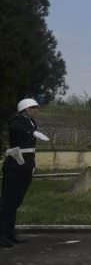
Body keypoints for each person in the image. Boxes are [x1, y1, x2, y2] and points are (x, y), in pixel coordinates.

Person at [0, 98, 49, 248]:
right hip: (15, 165)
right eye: (34, 108)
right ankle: (1, 235)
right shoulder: (17, 121)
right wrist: (33, 132)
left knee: (16, 202)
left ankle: (10, 233)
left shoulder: (31, 122)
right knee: (8, 203)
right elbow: (15, 127)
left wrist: (32, 165)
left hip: (26, 166)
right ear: (26, 109)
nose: (36, 110)